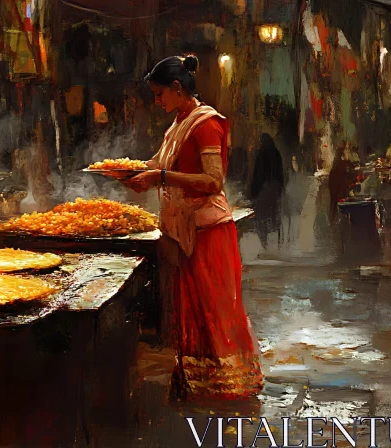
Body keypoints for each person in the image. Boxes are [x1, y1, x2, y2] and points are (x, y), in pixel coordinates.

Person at [123, 55, 264, 399]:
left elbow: (213, 181)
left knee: (215, 309)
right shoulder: (177, 124)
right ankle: (200, 382)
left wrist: (160, 177)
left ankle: (229, 386)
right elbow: (158, 163)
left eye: (159, 95)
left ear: (177, 88)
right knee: (192, 310)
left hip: (208, 231)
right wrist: (129, 171)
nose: (157, 102)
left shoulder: (205, 124)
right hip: (184, 230)